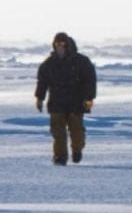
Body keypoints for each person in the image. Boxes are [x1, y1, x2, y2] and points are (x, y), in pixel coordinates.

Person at [35, 32, 97, 166]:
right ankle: (60, 157)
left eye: (62, 44)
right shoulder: (49, 64)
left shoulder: (81, 61)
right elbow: (42, 81)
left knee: (77, 132)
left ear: (68, 45)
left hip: (76, 103)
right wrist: (39, 98)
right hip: (57, 103)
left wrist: (89, 98)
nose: (59, 47)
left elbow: (90, 81)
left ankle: (77, 150)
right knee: (58, 133)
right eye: (57, 44)